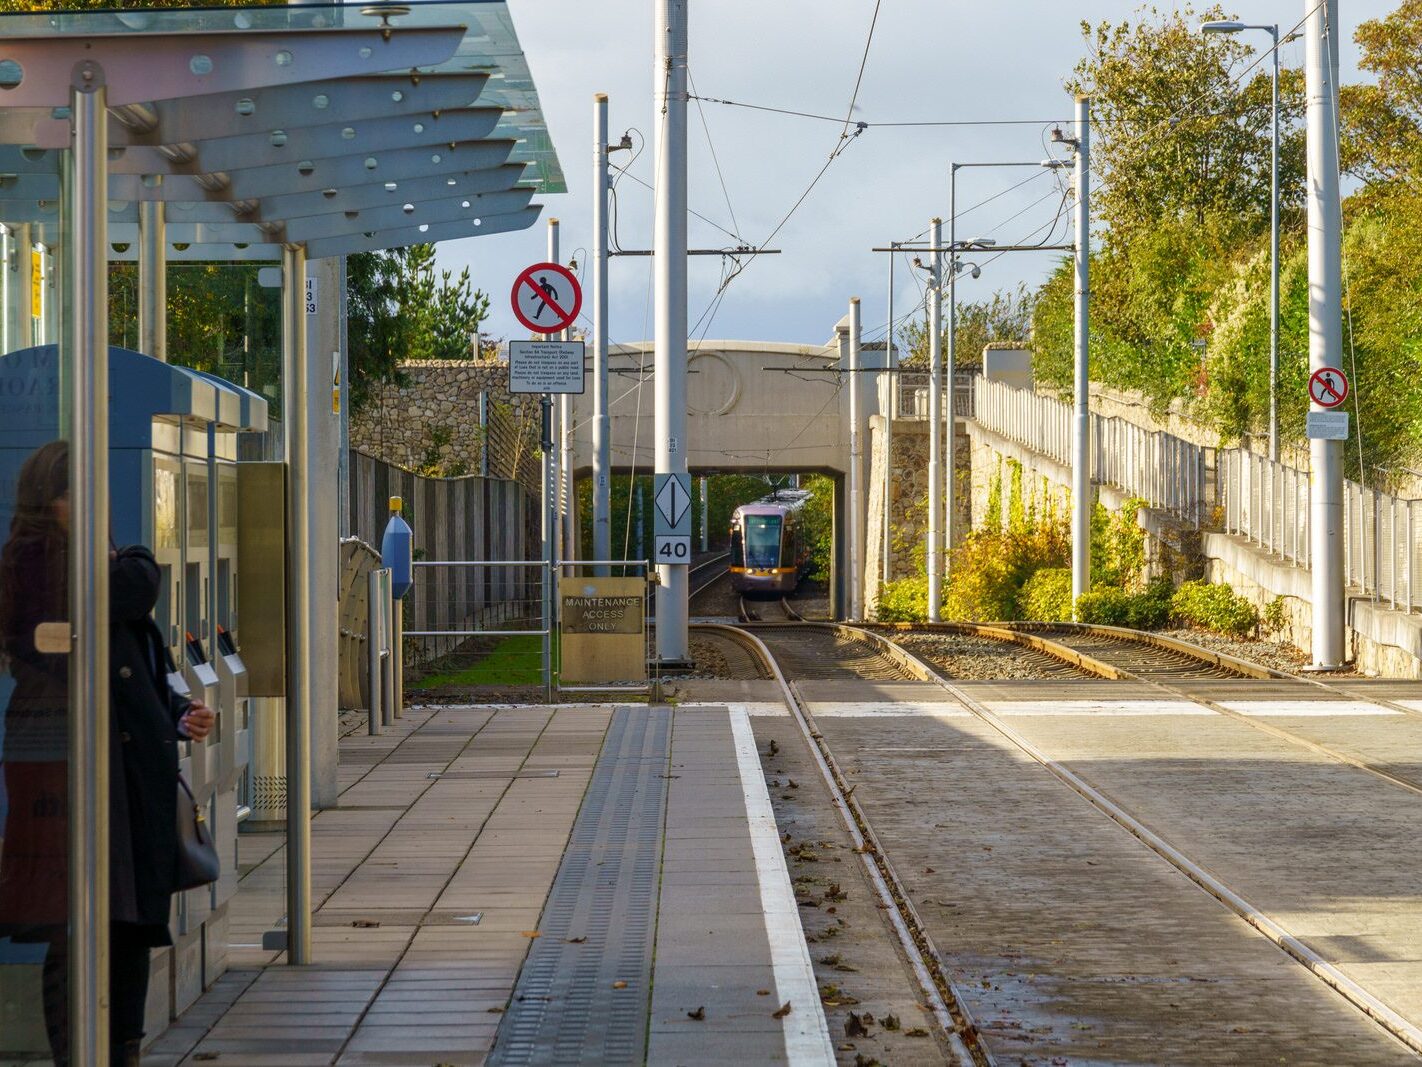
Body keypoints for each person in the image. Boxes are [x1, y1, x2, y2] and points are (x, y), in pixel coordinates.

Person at [0, 440, 214, 1066]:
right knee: (73, 918)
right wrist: (125, 556)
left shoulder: (92, 560)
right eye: (73, 493)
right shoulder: (36, 560)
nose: (87, 505)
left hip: (122, 769)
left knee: (129, 920)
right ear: (48, 500)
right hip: (63, 761)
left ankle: (122, 1050)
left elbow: (137, 661)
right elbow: (137, 583)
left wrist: (178, 713)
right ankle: (81, 1053)